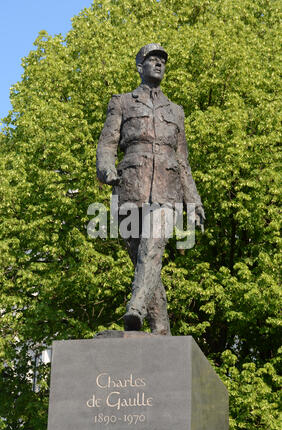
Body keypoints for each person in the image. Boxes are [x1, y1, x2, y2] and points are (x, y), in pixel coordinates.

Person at [96, 43, 205, 334]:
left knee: (153, 246)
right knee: (145, 262)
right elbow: (107, 142)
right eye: (152, 59)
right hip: (129, 188)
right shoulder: (122, 102)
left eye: (162, 61)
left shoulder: (176, 111)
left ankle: (136, 308)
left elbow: (183, 161)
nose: (158, 64)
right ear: (139, 66)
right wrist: (106, 169)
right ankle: (161, 332)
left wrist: (193, 204)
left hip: (168, 192)